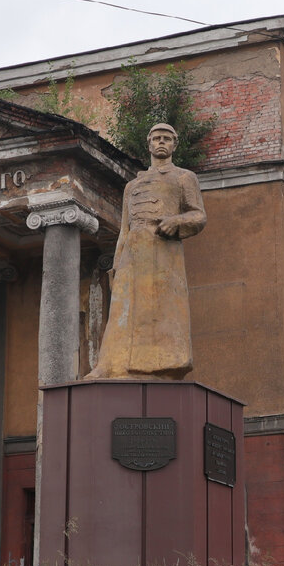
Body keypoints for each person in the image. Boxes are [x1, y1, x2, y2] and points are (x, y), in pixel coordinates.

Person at [87, 123, 206, 379]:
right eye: (156, 138)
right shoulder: (132, 186)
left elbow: (198, 216)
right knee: (122, 309)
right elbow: (124, 228)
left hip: (163, 251)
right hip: (132, 251)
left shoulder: (184, 177)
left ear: (174, 144)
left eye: (166, 138)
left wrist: (177, 222)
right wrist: (117, 263)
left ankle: (163, 364)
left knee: (162, 309)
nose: (161, 142)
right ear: (149, 143)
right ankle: (109, 365)